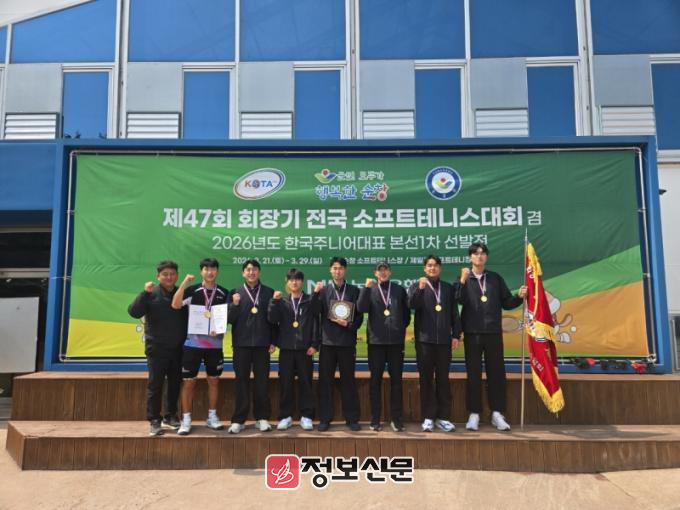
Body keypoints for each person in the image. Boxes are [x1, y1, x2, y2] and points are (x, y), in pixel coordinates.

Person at [454, 242, 527, 431]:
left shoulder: (494, 278)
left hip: (493, 332)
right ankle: (474, 413)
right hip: (472, 333)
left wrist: (519, 296)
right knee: (473, 374)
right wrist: (462, 280)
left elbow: (507, 302)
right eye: (475, 253)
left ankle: (497, 413)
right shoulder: (464, 278)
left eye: (482, 253)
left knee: (497, 373)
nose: (479, 256)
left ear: (486, 257)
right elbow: (458, 299)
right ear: (470, 257)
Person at [128, 260, 188, 436]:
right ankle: (154, 419)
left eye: (172, 274)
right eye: (165, 274)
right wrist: (144, 293)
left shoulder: (181, 293)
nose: (169, 277)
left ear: (177, 276)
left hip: (178, 348)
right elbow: (134, 312)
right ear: (158, 276)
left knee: (175, 384)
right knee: (155, 385)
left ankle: (171, 416)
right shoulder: (151, 293)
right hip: (157, 349)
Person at [171, 258, 230, 435]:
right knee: (189, 382)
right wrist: (184, 283)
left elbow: (227, 316)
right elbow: (175, 305)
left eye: (213, 269)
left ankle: (212, 417)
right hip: (192, 344)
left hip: (214, 345)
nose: (210, 272)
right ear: (201, 271)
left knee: (214, 381)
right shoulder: (192, 290)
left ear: (217, 271)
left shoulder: (224, 293)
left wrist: (220, 327)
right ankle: (186, 419)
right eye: (206, 269)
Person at [408, 254, 461, 433]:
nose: (432, 268)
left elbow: (454, 313)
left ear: (440, 268)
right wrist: (420, 289)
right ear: (424, 268)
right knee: (426, 380)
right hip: (424, 342)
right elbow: (411, 305)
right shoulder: (417, 286)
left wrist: (456, 335)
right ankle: (428, 417)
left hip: (444, 342)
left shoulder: (447, 288)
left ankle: (443, 417)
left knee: (443, 379)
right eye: (429, 265)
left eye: (436, 265)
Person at [357, 261, 410, 432]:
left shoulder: (399, 290)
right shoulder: (370, 289)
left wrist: (397, 328)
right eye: (380, 270)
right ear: (375, 273)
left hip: (396, 343)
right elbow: (361, 308)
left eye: (385, 270)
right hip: (376, 343)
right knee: (375, 381)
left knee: (396, 381)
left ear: (390, 272)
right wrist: (365, 289)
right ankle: (375, 419)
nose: (383, 273)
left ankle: (396, 419)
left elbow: (406, 315)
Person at [267, 269, 323, 431]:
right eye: (291, 279)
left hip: (305, 350)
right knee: (286, 384)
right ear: (287, 282)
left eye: (297, 279)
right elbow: (272, 320)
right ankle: (286, 416)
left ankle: (307, 416)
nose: (294, 282)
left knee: (306, 383)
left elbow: (316, 322)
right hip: (286, 349)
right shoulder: (282, 301)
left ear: (302, 282)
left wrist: (315, 344)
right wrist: (274, 302)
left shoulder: (309, 300)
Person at [227, 259, 276, 433]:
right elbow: (228, 320)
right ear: (243, 273)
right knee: (241, 382)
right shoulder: (235, 293)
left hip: (263, 345)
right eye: (248, 270)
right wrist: (234, 305)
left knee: (262, 382)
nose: (251, 272)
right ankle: (239, 420)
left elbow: (273, 320)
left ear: (259, 272)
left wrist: (273, 341)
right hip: (241, 344)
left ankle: (262, 418)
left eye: (254, 269)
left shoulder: (269, 292)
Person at [317, 256, 364, 432]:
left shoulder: (354, 291)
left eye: (341, 268)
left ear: (345, 270)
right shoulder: (323, 291)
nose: (337, 271)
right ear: (330, 270)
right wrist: (315, 294)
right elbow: (315, 312)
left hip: (347, 342)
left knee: (348, 381)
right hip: (327, 342)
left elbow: (359, 316)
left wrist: (349, 325)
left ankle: (352, 418)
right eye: (335, 268)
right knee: (325, 381)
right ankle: (325, 418)